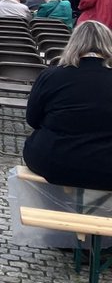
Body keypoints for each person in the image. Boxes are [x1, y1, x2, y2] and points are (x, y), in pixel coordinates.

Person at [23, 20, 112, 191]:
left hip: (54, 159)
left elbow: (33, 120)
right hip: (107, 166)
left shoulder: (51, 76)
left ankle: (50, 209)